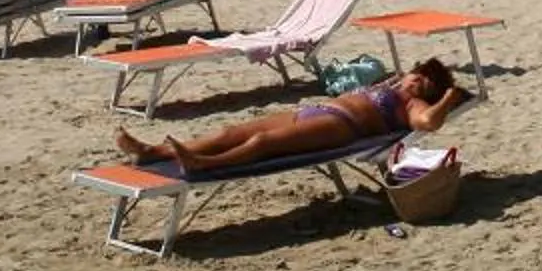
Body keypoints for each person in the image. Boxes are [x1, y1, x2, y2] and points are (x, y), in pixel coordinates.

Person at [115, 60, 464, 170]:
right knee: (229, 132)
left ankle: (204, 164)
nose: (416, 81)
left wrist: (448, 96)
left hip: (341, 126)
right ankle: (153, 152)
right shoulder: (391, 83)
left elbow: (429, 123)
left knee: (262, 142)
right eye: (417, 74)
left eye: (424, 83)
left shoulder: (413, 106)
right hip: (315, 111)